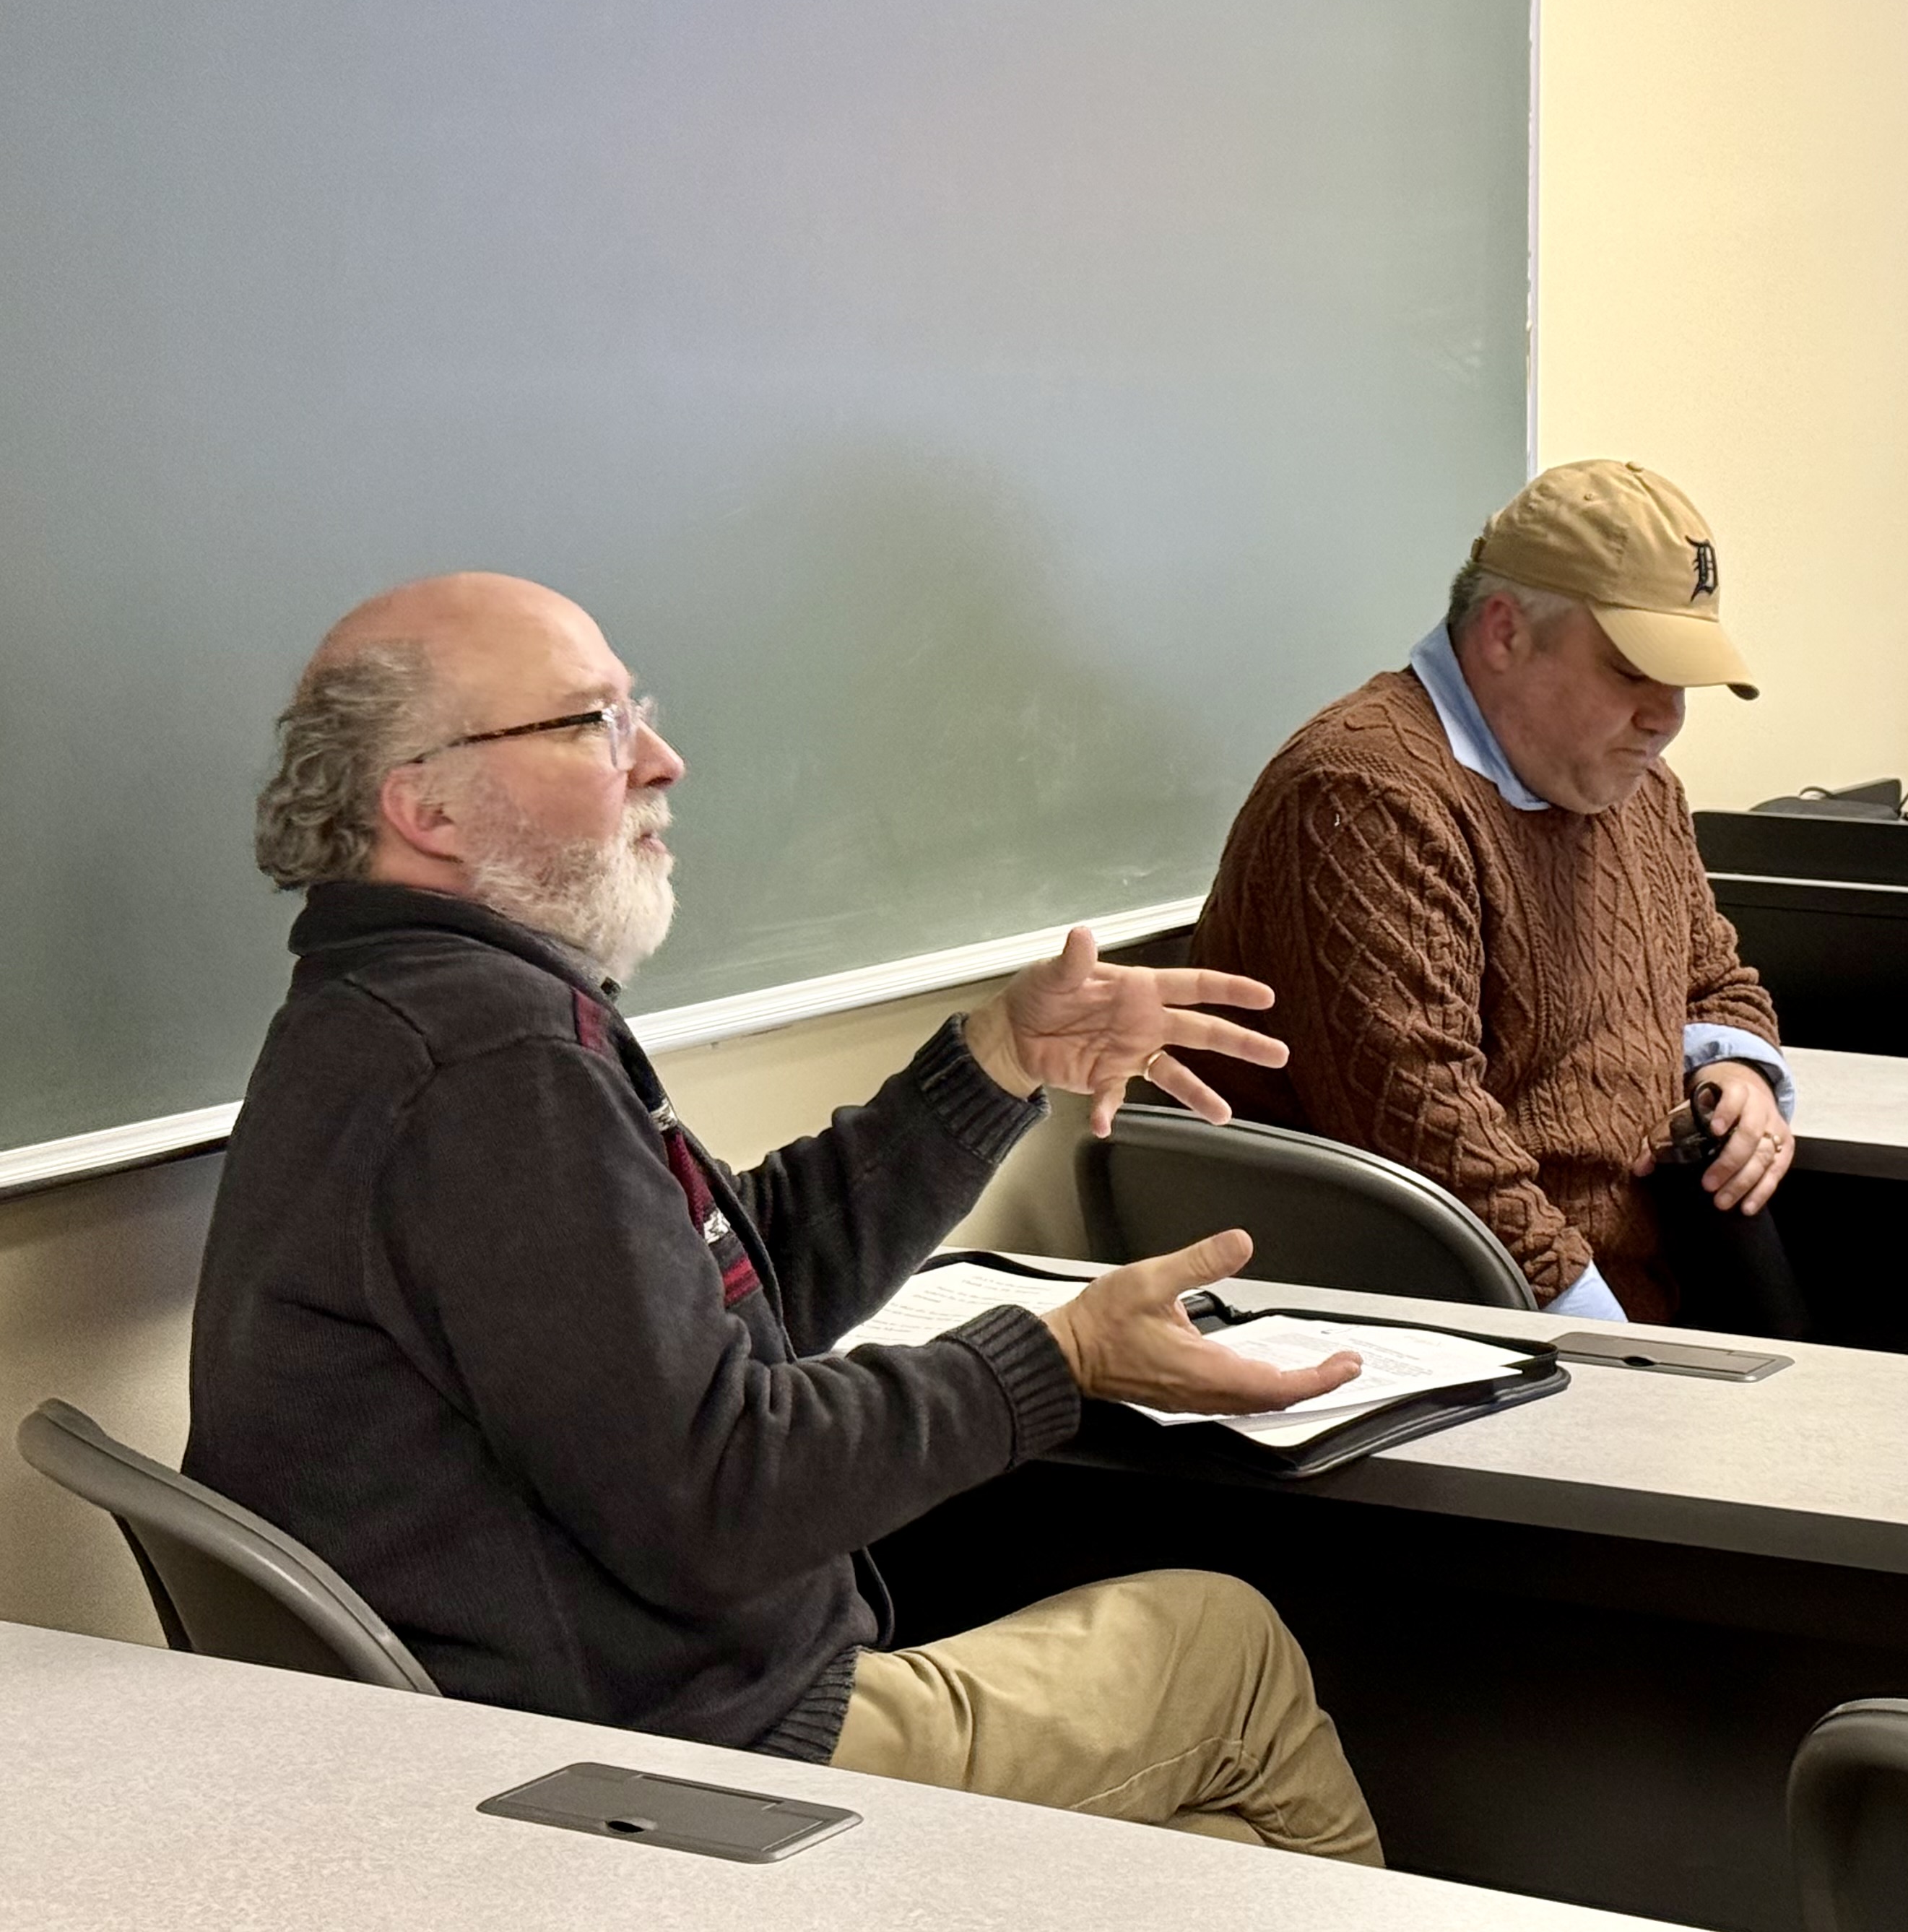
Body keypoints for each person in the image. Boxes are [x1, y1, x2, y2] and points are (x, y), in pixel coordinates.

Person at [185, 572, 1383, 1861]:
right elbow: (721, 1494)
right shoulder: (492, 1066)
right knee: (1226, 1655)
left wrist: (992, 1059)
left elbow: (701, 1308)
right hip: (654, 1764)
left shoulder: (388, 1010)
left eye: (633, 709)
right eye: (591, 723)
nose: (659, 758)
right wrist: (1060, 1357)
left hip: (578, 1708)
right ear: (423, 804)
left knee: (1212, 1847)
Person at [1186, 460, 1796, 1330]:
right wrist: (1618, 1357)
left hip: (1640, 1298)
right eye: (1631, 671)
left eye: (1683, 682)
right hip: (1462, 1329)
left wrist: (1737, 1070)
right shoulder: (1366, 794)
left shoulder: (1634, 784)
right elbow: (1427, 1139)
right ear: (1505, 633)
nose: (1666, 716)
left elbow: (1715, 978)